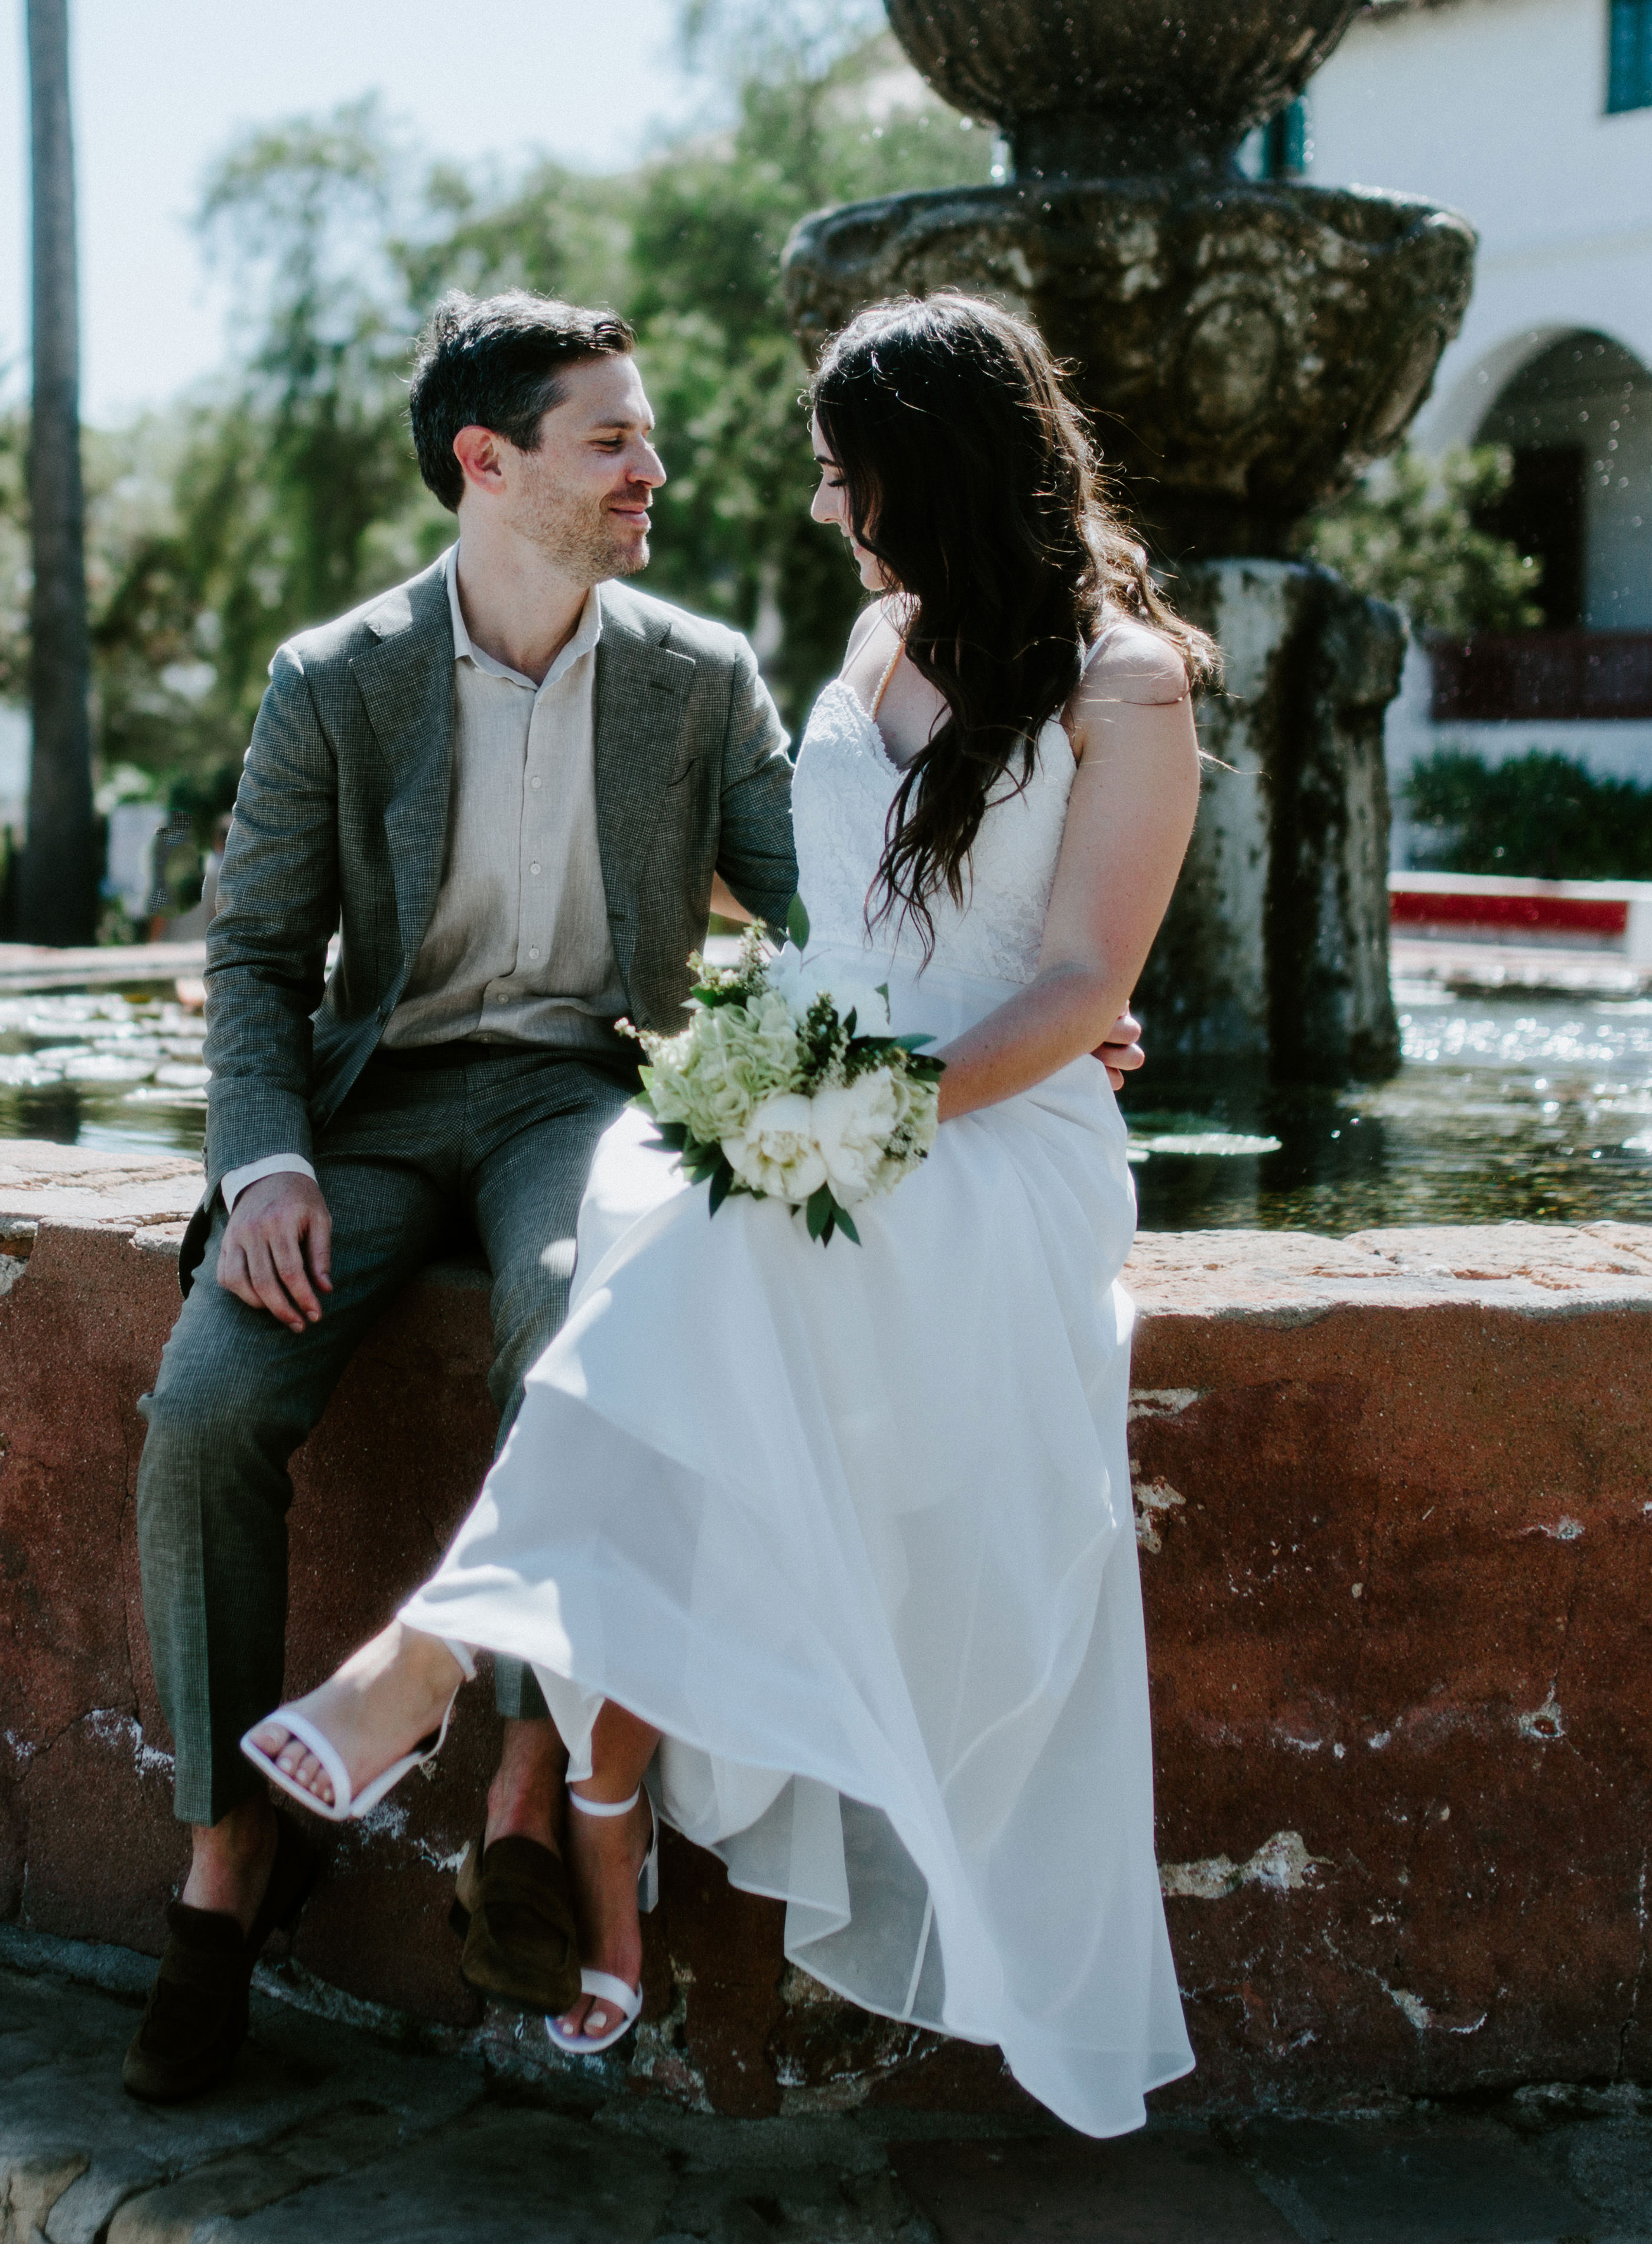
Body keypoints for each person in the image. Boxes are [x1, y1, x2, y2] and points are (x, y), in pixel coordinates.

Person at [234, 289, 1209, 2133]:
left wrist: (888, 1095)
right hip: (843, 1098)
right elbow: (832, 907)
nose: (832, 516)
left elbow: (1078, 981)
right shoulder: (878, 632)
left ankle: (450, 1674)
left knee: (700, 1231)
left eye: (852, 481)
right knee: (662, 1200)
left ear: (938, 475)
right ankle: (575, 1804)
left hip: (995, 1139)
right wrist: (786, 1073)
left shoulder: (1127, 680)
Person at [119, 290, 803, 2103]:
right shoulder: (333, 678)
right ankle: (230, 1854)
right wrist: (261, 1164)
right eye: (614, 439)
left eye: (645, 438)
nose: (653, 467)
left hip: (580, 1089)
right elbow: (255, 955)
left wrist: (1023, 1012)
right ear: (487, 466)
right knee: (202, 1410)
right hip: (369, 1106)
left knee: (579, 1295)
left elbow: (826, 914)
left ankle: (517, 1778)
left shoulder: (701, 676)